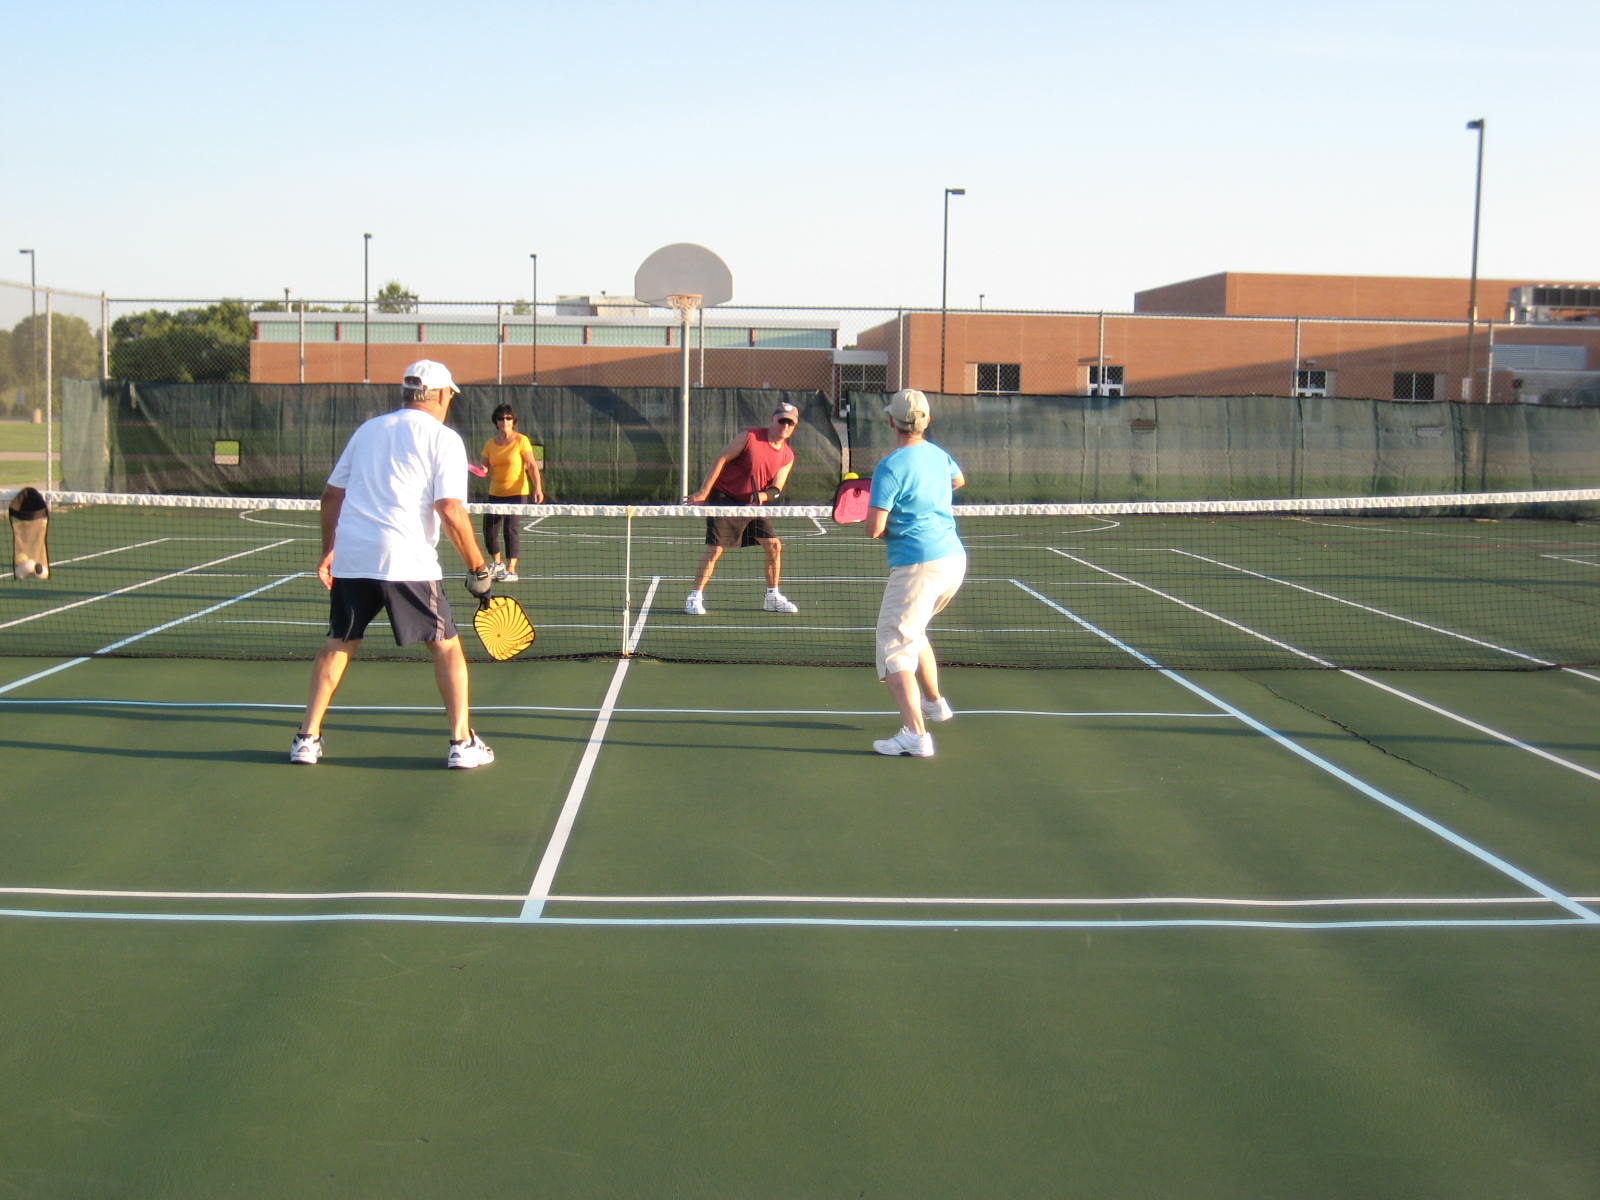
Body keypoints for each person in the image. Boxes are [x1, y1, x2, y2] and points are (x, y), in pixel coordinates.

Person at [290, 359, 497, 769]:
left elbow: (331, 496)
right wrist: (478, 568)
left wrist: (329, 550)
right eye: (450, 396)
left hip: (354, 559)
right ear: (440, 396)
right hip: (409, 562)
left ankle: (306, 739)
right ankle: (461, 743)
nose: (449, 402)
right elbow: (451, 510)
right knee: (446, 648)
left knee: (338, 645)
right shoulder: (444, 439)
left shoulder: (368, 431)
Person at [864, 388, 966, 758]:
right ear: (926, 420)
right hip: (953, 561)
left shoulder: (890, 466)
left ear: (891, 421)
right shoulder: (939, 456)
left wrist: (875, 508)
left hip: (918, 567)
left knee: (894, 649)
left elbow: (874, 528)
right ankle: (935, 704)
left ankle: (915, 735)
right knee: (915, 632)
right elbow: (958, 481)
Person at [683, 402, 801, 615]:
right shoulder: (750, 437)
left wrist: (762, 495)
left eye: (790, 423)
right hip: (725, 498)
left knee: (774, 545)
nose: (785, 425)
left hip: (753, 505)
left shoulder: (787, 455)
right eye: (781, 420)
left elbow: (776, 488)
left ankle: (772, 596)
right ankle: (694, 596)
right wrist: (704, 492)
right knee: (716, 548)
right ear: (772, 420)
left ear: (794, 427)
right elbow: (721, 459)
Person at [479, 403, 545, 582]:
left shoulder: (521, 440)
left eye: (508, 418)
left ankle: (511, 570)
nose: (505, 421)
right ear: (496, 422)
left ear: (513, 420)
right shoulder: (490, 445)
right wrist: (481, 470)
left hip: (517, 493)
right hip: (495, 493)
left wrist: (537, 488)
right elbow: (484, 467)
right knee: (489, 530)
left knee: (510, 528)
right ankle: (497, 563)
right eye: (501, 418)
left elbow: (532, 465)